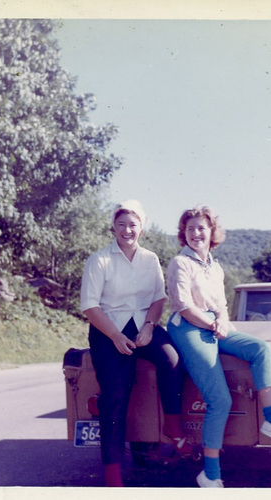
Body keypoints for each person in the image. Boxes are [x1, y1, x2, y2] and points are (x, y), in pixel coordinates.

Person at [166, 205, 271, 488]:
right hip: (189, 328)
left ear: (211, 232)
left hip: (214, 325)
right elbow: (183, 306)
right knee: (220, 400)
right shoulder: (180, 263)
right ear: (184, 234)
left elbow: (221, 306)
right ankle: (210, 475)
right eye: (190, 229)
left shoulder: (215, 267)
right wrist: (212, 324)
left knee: (259, 348)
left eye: (201, 228)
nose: (196, 233)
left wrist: (222, 321)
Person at [80, 200, 191, 487]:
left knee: (171, 359)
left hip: (144, 324)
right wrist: (115, 336)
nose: (127, 230)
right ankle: (113, 472)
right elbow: (91, 307)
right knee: (114, 397)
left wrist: (150, 327)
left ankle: (173, 426)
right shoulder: (99, 260)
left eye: (133, 225)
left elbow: (158, 298)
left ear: (141, 228)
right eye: (121, 225)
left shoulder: (150, 258)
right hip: (107, 330)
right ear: (113, 228)